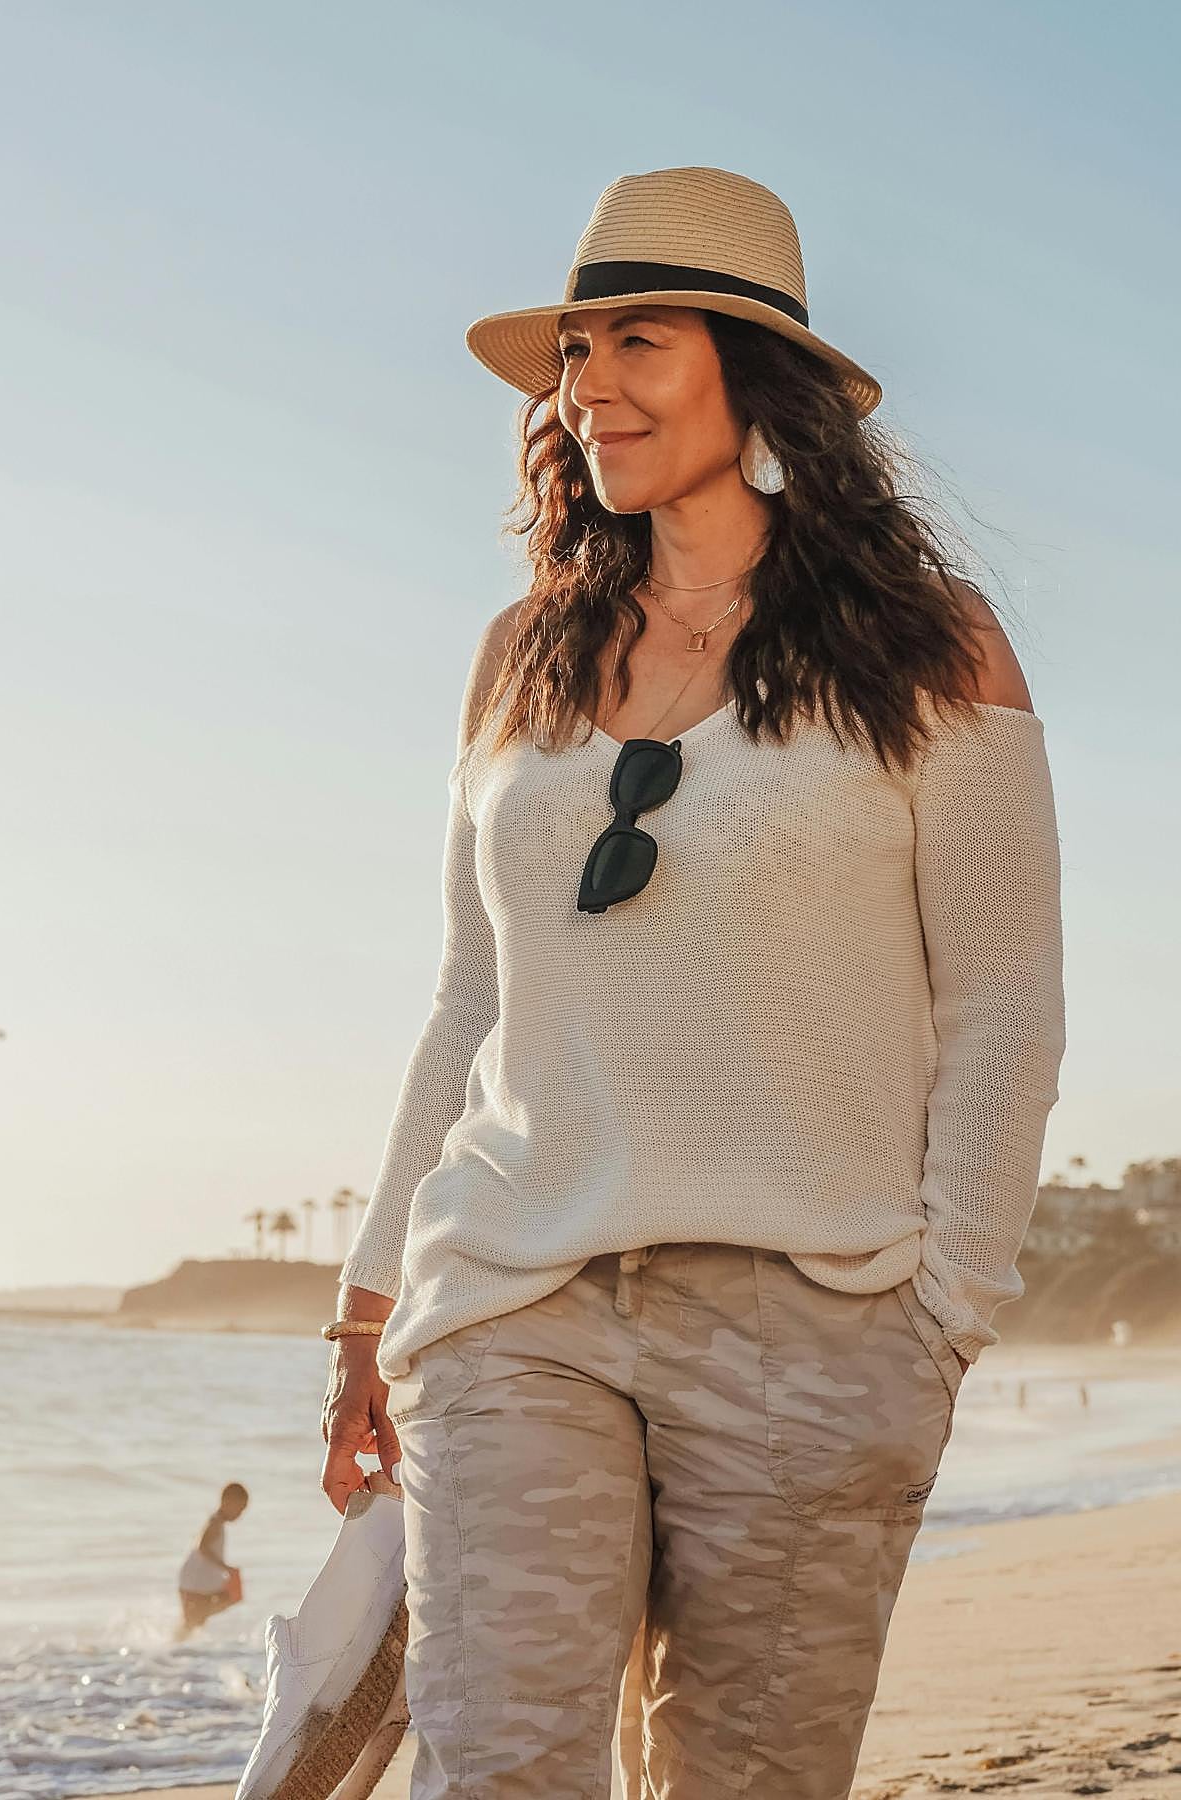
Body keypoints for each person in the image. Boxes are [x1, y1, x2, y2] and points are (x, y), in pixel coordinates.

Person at [319, 166, 1066, 1798]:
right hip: (517, 1297)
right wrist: (369, 1310)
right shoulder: (519, 653)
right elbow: (468, 998)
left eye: (636, 343)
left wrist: (943, 1313)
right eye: (575, 355)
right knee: (497, 1766)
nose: (589, 388)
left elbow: (1003, 1003)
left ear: (753, 370)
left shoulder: (935, 644)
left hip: (817, 1314)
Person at [177, 1481, 249, 1639]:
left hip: (198, 1581)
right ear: (227, 1501)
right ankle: (170, 1652)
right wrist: (225, 1568)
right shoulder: (215, 1523)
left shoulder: (217, 1522)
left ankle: (172, 1652)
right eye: (239, 1509)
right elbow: (202, 1547)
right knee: (191, 1622)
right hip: (194, 1582)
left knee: (195, 1620)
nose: (240, 1515)